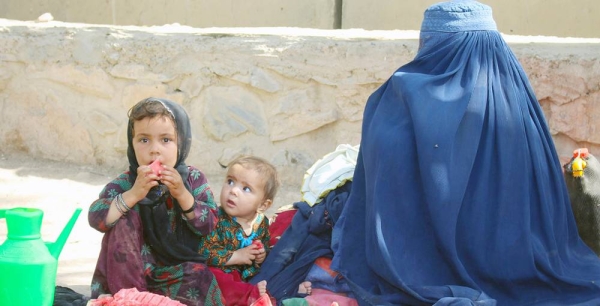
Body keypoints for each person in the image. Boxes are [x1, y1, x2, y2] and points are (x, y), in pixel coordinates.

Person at [330, 1, 600, 305]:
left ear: (429, 43)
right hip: (523, 262)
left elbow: (384, 203)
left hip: (415, 265)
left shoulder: (396, 97)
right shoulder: (516, 98)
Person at [88, 97, 224, 306]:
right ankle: (131, 301)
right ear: (131, 144)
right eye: (144, 140)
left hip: (173, 273)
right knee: (124, 219)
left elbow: (210, 225)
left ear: (182, 142)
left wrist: (182, 194)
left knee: (200, 277)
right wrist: (134, 194)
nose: (155, 150)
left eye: (166, 140)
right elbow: (96, 218)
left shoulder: (192, 180)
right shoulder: (127, 183)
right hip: (128, 277)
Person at [198, 156, 312, 305]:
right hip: (223, 273)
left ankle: (288, 290)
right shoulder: (216, 219)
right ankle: (254, 296)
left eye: (246, 189)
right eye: (230, 181)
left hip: (247, 277)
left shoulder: (261, 223)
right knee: (212, 277)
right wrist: (237, 256)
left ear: (263, 205)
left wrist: (260, 255)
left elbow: (263, 250)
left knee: (272, 270)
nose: (233, 191)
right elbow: (204, 252)